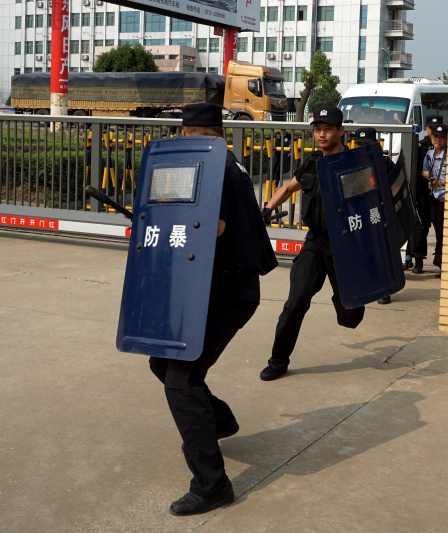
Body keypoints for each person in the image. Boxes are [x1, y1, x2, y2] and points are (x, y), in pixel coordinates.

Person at [148, 103, 278, 516]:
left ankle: (212, 484)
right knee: (162, 363)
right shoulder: (227, 162)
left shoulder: (216, 166)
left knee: (181, 380)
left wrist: (161, 229)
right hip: (215, 284)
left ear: (205, 137)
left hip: (229, 288)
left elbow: (211, 228)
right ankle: (218, 421)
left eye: (191, 139)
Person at [258, 106, 365, 381]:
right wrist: (267, 209)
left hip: (346, 247)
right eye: (318, 129)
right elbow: (287, 188)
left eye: (328, 129)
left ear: (341, 131)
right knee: (296, 301)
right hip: (316, 242)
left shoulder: (354, 164)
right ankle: (278, 361)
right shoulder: (311, 164)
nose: (322, 134)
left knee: (351, 318)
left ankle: (343, 295)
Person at [353, 126, 398, 305]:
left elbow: (396, 186)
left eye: (367, 144)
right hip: (359, 215)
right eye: (359, 144)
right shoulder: (350, 163)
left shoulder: (385, 163)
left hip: (380, 214)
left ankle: (384, 289)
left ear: (375, 144)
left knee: (382, 251)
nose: (362, 147)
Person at [412, 115, 444, 273]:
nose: (434, 133)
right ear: (426, 129)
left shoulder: (446, 148)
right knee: (422, 229)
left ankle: (439, 259)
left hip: (439, 195)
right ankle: (418, 260)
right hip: (424, 194)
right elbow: (415, 171)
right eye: (431, 128)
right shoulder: (421, 146)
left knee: (441, 231)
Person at [422, 123, 447, 278]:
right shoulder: (430, 153)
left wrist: (440, 183)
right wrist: (428, 176)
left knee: (445, 235)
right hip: (434, 200)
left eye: (441, 137)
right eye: (435, 136)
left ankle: (445, 265)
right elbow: (424, 170)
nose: (438, 140)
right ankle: (440, 263)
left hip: (446, 201)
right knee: (438, 234)